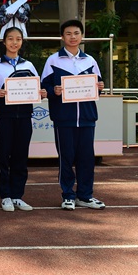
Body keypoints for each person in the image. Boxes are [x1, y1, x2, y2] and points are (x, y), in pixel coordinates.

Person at [41, 19, 106, 211]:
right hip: (64, 119)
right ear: (62, 37)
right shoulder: (53, 60)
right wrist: (54, 91)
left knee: (87, 159)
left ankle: (85, 196)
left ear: (82, 36)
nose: (72, 37)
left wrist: (100, 86)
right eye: (68, 33)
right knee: (66, 158)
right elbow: (43, 88)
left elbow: (97, 85)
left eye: (76, 33)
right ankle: (68, 195)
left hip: (87, 118)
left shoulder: (90, 61)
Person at [0, 27, 46, 212]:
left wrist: (42, 92)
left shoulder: (29, 66)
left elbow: (37, 88)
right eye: (10, 39)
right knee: (3, 157)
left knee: (21, 157)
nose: (14, 42)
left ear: (22, 42)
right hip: (3, 117)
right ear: (4, 42)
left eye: (18, 39)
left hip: (25, 117)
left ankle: (17, 195)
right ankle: (5, 196)